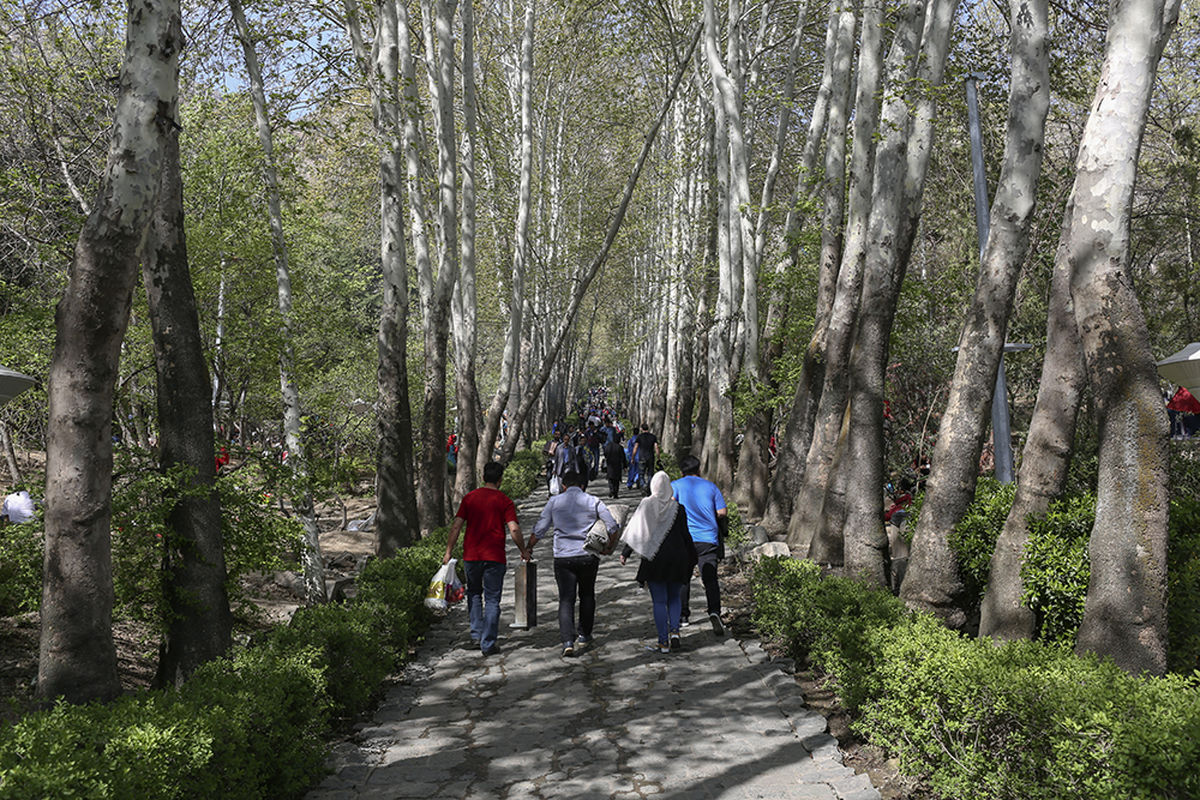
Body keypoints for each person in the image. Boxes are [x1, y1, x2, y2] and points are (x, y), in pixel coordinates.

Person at [528, 467, 619, 657]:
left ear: (563, 486)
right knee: (587, 595)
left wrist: (529, 547)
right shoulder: (594, 501)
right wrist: (609, 547)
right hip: (588, 555)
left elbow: (540, 529)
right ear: (583, 485)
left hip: (563, 557)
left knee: (566, 599)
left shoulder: (554, 502)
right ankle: (584, 634)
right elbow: (612, 526)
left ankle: (567, 641)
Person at [443, 461, 528, 656]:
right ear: (500, 479)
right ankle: (488, 643)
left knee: (473, 594)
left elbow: (456, 526)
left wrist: (448, 551)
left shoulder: (470, 498)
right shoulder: (504, 501)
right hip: (495, 557)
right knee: (492, 599)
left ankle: (475, 635)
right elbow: (514, 528)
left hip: (471, 556)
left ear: (483, 477)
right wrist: (523, 550)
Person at [620, 471, 696, 653]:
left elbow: (636, 531)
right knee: (675, 597)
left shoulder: (646, 505)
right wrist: (693, 557)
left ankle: (663, 642)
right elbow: (686, 536)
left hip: (655, 558)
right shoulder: (678, 509)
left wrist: (626, 553)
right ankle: (676, 632)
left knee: (659, 602)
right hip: (678, 557)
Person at [672, 455, 727, 635]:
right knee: (710, 578)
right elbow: (722, 512)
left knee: (683, 578)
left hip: (684, 539)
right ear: (699, 469)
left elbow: (669, 507)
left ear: (682, 471)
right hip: (708, 539)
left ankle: (683, 616)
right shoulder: (711, 486)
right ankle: (714, 611)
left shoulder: (676, 486)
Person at [630, 424, 659, 495]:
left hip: (642, 457)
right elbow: (656, 447)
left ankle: (643, 486)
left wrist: (633, 457)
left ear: (641, 429)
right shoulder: (653, 437)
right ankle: (649, 487)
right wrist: (658, 457)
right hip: (651, 457)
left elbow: (636, 447)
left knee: (641, 474)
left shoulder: (639, 437)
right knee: (650, 474)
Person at [602, 434, 626, 498]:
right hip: (617, 465)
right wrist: (625, 466)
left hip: (610, 464)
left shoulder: (608, 446)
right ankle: (615, 493)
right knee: (617, 480)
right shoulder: (620, 447)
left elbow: (605, 454)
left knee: (610, 479)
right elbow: (623, 457)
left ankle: (611, 490)